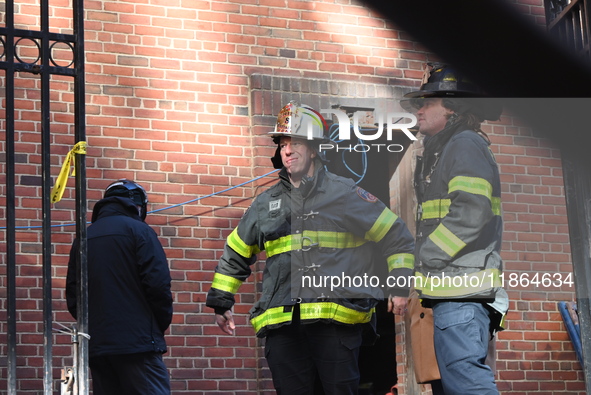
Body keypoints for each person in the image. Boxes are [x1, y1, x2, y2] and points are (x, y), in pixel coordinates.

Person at [206, 101, 415, 395]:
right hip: (283, 323)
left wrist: (400, 286)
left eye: (296, 143)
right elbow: (236, 251)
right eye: (282, 144)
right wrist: (221, 301)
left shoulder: (346, 195)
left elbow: (398, 237)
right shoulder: (265, 203)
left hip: (336, 323)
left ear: (315, 148)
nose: (287, 151)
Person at [400, 63, 508, 395]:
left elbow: (472, 212)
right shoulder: (447, 149)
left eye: (427, 103)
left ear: (452, 107)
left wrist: (427, 256)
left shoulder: (463, 144)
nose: (419, 109)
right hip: (453, 294)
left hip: (461, 294)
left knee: (467, 385)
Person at [66, 179, 173, 395]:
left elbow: (73, 295)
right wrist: (156, 326)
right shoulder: (141, 231)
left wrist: (94, 325)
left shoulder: (84, 237)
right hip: (138, 344)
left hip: (98, 346)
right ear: (138, 204)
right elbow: (158, 286)